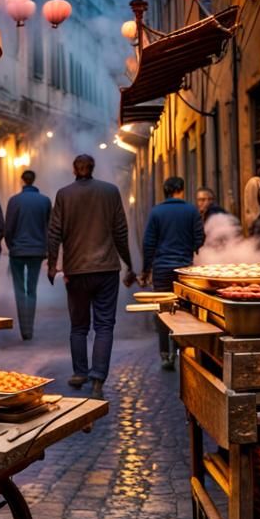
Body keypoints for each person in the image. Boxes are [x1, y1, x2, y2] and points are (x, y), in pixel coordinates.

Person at [47, 154, 136, 400]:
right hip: (107, 269)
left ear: (74, 169)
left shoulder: (64, 195)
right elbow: (120, 231)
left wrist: (53, 265)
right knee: (104, 325)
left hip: (76, 271)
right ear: (92, 168)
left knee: (78, 326)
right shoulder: (110, 192)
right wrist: (128, 263)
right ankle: (98, 378)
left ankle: (79, 373)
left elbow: (54, 232)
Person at [140, 176, 205, 371]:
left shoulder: (156, 212)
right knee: (184, 310)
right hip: (184, 269)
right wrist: (191, 249)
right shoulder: (191, 210)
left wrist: (146, 269)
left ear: (165, 191)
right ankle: (181, 350)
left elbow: (148, 243)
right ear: (181, 190)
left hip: (161, 269)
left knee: (163, 310)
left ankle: (165, 355)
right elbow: (200, 237)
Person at [4, 170, 52, 341]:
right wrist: (47, 249)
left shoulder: (14, 201)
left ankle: (24, 330)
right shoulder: (45, 201)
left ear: (22, 180)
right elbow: (49, 227)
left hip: (17, 251)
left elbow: (8, 229)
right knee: (31, 290)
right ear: (34, 180)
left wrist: (11, 247)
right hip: (37, 251)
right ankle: (29, 329)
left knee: (19, 290)